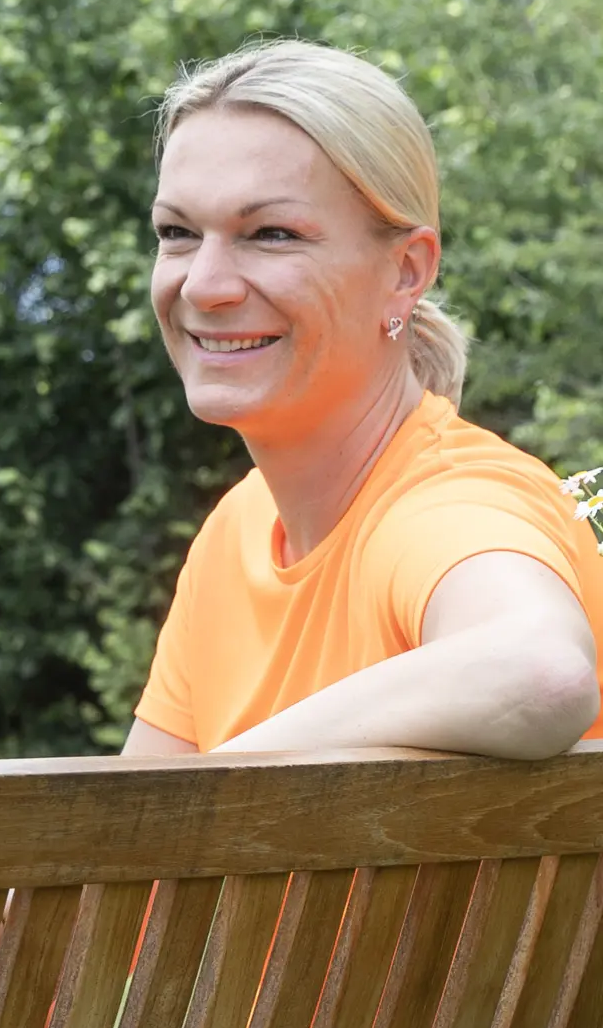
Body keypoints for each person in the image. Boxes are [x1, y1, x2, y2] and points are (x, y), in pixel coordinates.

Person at [124, 39, 603, 762]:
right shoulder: (236, 533)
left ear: (406, 272)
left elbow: (540, 673)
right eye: (179, 233)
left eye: (271, 234)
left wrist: (223, 783)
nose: (204, 285)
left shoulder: (448, 506)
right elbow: (126, 855)